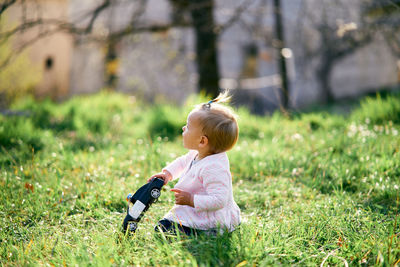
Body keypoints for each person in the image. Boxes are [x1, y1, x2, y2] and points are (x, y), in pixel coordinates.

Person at [149, 91, 241, 236]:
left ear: (202, 141)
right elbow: (182, 162)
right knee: (164, 226)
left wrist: (191, 200)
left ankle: (209, 233)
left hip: (210, 218)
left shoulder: (214, 167)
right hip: (196, 210)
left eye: (188, 126)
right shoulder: (198, 153)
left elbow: (219, 200)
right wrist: (167, 174)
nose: (183, 129)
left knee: (164, 229)